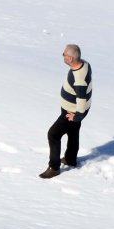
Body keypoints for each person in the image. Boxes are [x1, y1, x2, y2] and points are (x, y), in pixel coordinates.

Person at [40, 44, 92, 179]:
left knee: (53, 134)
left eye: (64, 54)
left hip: (72, 111)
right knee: (73, 132)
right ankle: (70, 158)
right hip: (74, 109)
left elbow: (81, 97)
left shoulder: (79, 77)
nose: (62, 56)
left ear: (70, 58)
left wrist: (77, 116)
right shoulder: (85, 64)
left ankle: (54, 167)